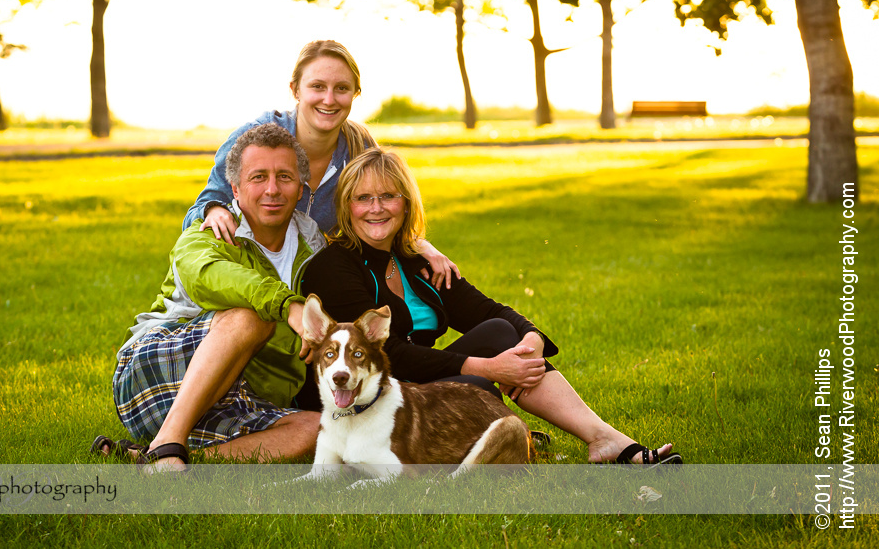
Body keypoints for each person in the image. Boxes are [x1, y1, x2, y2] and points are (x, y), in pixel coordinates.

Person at [300, 148, 682, 466]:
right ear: (347, 206)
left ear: (406, 202)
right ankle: (508, 444)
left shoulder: (416, 261)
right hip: (368, 397)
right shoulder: (335, 268)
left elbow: (485, 310)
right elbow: (390, 355)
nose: (376, 208)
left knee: (501, 332)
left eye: (388, 196)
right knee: (478, 385)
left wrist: (531, 336)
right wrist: (487, 367)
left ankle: (603, 439)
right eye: (363, 198)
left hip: (418, 388)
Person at [100, 124, 326, 470]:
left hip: (240, 395)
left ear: (301, 188)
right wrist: (287, 305)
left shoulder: (315, 246)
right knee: (251, 316)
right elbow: (207, 276)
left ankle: (161, 462)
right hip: (153, 379)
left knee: (320, 430)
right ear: (234, 188)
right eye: (258, 177)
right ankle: (167, 442)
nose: (272, 189)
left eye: (284, 176)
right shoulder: (206, 232)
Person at [183, 39, 460, 290]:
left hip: (318, 281)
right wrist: (215, 209)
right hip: (248, 280)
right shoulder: (255, 139)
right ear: (295, 90)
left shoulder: (360, 148)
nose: (329, 100)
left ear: (354, 94)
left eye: (341, 89)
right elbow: (195, 216)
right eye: (317, 86)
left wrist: (422, 246)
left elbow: (384, 213)